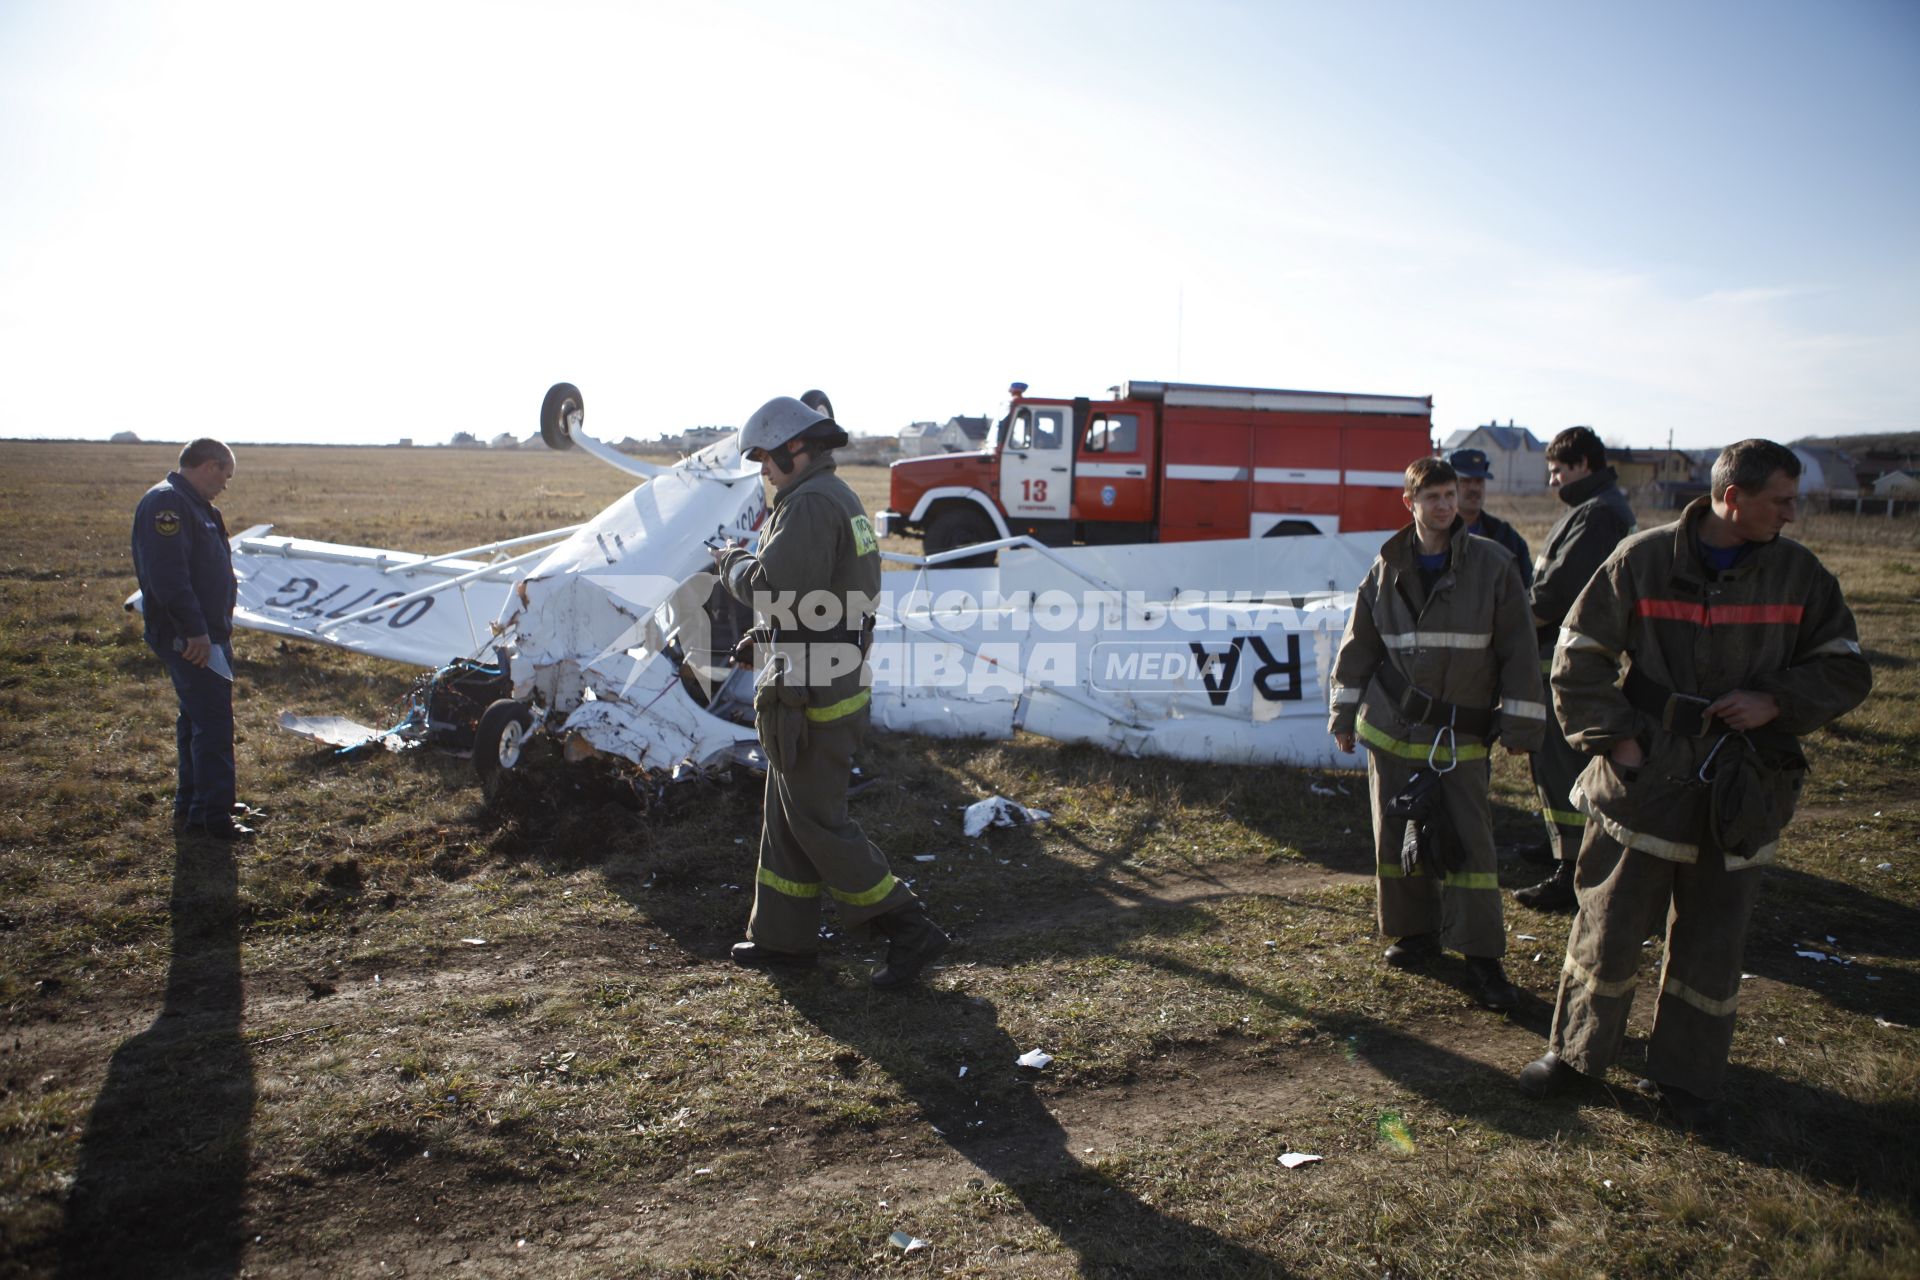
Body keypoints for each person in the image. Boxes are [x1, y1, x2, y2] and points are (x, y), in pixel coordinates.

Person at [1518, 440, 1869, 1128]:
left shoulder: (1801, 576)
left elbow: (1845, 668)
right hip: (1642, 780)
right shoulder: (1642, 559)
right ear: (1732, 497)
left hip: (1741, 785)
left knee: (1713, 938)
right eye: (1781, 501)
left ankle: (1687, 1076)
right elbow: (1578, 655)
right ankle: (1577, 1054)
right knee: (1608, 926)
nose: (1792, 515)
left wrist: (1777, 701)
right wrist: (1618, 742)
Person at [713, 396, 949, 988]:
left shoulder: (812, 504)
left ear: (797, 449)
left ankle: (907, 928)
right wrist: (761, 639)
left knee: (817, 822)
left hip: (814, 693)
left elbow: (774, 585)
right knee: (787, 818)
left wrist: (732, 563)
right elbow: (817, 598)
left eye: (765, 456)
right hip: (813, 679)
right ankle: (783, 942)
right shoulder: (827, 498)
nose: (762, 469)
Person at [1329, 456, 1546, 1011]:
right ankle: (1416, 935)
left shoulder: (1495, 566)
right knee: (1395, 839)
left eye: (1450, 495)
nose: (1445, 505)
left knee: (1471, 845)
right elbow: (1360, 645)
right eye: (1433, 497)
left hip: (1459, 737)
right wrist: (1343, 714)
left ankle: (1481, 958)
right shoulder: (1385, 566)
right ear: (1411, 503)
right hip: (1391, 730)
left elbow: (1520, 651)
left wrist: (1522, 723)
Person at [1516, 427, 1635, 910]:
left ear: (1585, 464)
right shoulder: (1590, 509)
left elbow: (1555, 593)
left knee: (1563, 760)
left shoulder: (1599, 514)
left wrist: (1509, 621)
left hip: (1567, 658)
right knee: (1547, 760)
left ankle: (1573, 869)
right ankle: (1558, 850)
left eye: (1559, 471)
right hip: (1558, 653)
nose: (1552, 481)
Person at [132, 439, 253, 841]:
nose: (226, 486)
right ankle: (213, 819)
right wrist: (195, 632)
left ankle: (197, 802)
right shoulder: (168, 506)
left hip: (208, 633)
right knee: (214, 724)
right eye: (226, 476)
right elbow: (168, 577)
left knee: (197, 721)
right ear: (210, 466)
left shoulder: (199, 507)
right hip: (192, 637)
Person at [1448, 448, 1532, 590]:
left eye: (1479, 481)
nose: (1474, 488)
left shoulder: (1505, 537)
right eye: (1466, 481)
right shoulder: (1436, 534)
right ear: (1450, 485)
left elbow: (1526, 588)